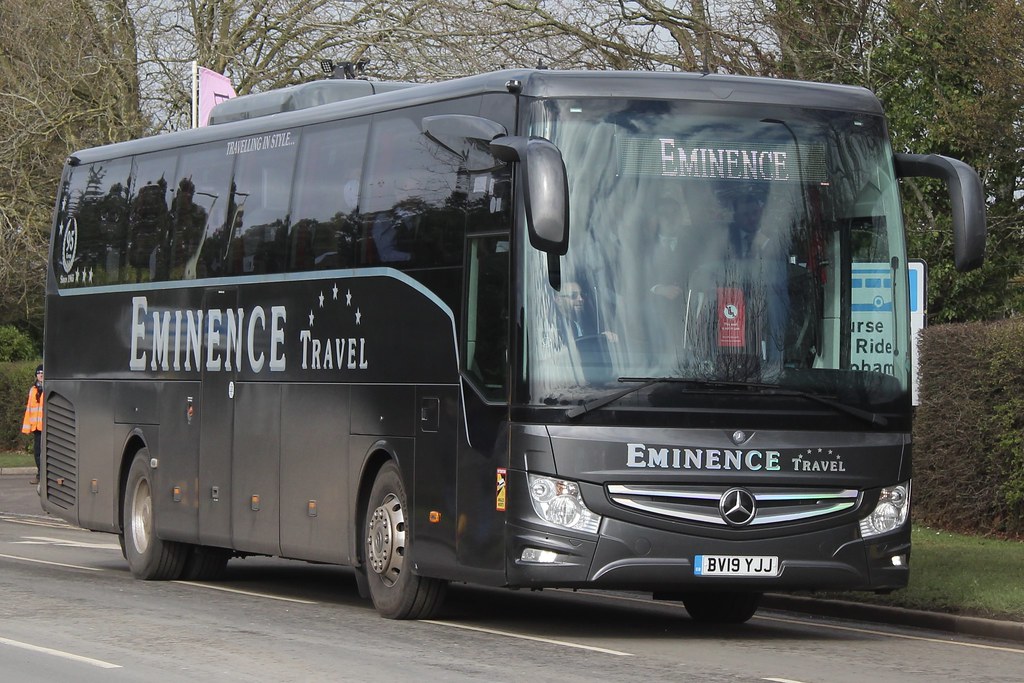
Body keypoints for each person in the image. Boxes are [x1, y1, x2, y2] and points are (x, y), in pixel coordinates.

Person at [21, 364, 44, 485]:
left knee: (47, 453)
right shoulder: (33, 390)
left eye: (43, 372)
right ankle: (40, 475)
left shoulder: (49, 388)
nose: (41, 374)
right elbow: (29, 409)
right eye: (39, 372)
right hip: (36, 428)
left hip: (47, 428)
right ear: (36, 375)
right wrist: (27, 427)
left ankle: (46, 477)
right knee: (37, 453)